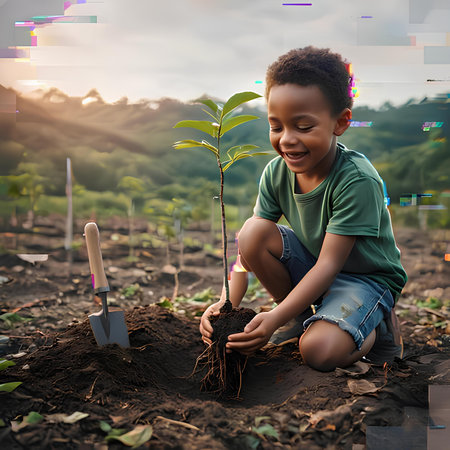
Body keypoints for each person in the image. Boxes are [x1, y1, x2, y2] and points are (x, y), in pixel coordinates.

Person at [200, 46, 407, 372]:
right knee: (252, 232)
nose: (287, 140)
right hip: (316, 266)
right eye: (276, 126)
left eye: (303, 127)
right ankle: (302, 318)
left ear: (340, 123)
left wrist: (272, 319)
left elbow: (328, 266)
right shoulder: (277, 172)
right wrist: (228, 304)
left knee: (318, 352)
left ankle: (373, 327)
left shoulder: (356, 180)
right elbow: (246, 252)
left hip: (365, 280)